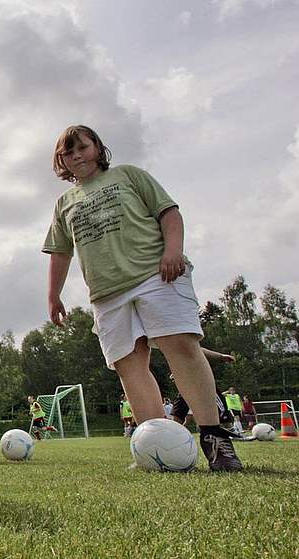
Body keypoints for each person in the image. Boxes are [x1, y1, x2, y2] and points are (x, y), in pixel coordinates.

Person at [42, 124, 242, 471]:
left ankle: (215, 439)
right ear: (62, 162)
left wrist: (173, 251)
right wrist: (53, 295)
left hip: (156, 274)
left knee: (179, 345)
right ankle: (156, 447)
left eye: (83, 147)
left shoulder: (129, 175)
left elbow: (169, 213)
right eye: (68, 153)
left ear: (98, 148)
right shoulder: (64, 203)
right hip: (106, 293)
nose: (77, 156)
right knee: (129, 364)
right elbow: (60, 252)